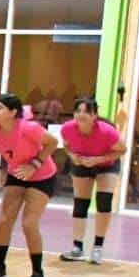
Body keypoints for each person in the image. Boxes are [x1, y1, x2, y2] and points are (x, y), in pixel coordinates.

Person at [0, 92, 59, 277]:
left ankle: (37, 273)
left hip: (42, 176)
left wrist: (34, 164)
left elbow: (52, 143)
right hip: (17, 174)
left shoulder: (28, 128)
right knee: (5, 220)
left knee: (29, 224)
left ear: (13, 112)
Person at [58, 98, 124, 265]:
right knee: (80, 203)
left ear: (94, 115)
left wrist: (98, 160)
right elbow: (66, 146)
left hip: (107, 164)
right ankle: (77, 248)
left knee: (104, 202)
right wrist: (73, 156)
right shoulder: (67, 128)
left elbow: (122, 150)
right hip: (82, 163)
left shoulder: (107, 131)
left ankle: (98, 248)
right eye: (78, 111)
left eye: (86, 112)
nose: (81, 115)